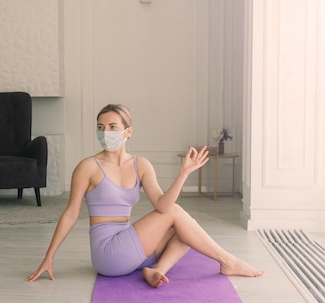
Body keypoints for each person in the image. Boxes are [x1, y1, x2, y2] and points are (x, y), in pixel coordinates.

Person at [26, 104, 263, 287]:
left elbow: (162, 204)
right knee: (179, 216)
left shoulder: (141, 165)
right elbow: (70, 214)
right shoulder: (88, 167)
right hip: (108, 253)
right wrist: (49, 257)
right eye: (100, 127)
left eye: (112, 127)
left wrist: (183, 174)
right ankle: (228, 261)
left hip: (133, 249)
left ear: (128, 132)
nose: (104, 132)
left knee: (187, 232)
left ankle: (157, 270)